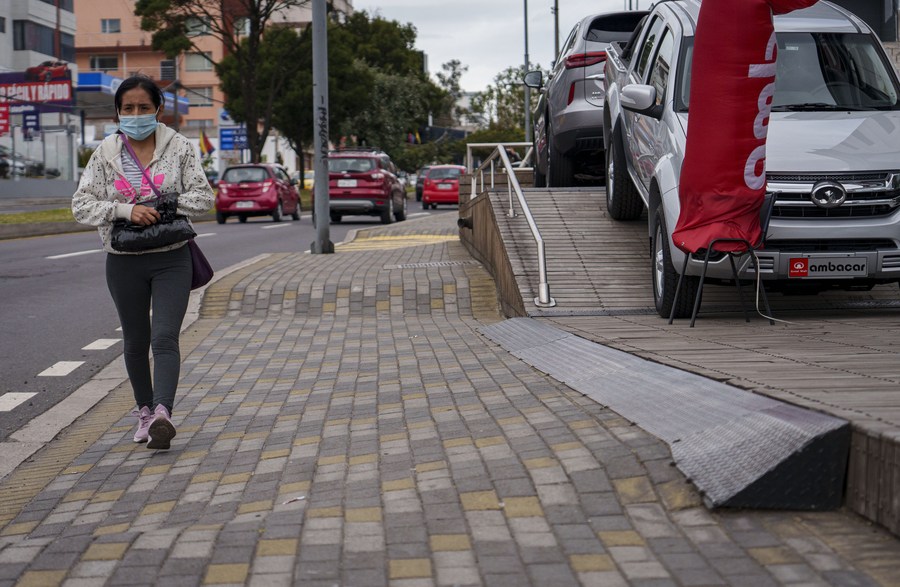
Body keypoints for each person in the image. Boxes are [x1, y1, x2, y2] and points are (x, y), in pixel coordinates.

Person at [72, 75, 214, 450]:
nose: (136, 115)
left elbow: (203, 198)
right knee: (136, 342)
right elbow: (81, 206)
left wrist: (160, 206)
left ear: (158, 110)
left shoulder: (180, 147)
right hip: (123, 261)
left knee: (165, 337)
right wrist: (125, 210)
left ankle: (164, 413)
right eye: (128, 108)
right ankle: (146, 413)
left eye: (143, 108)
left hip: (172, 258)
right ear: (118, 112)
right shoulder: (104, 154)